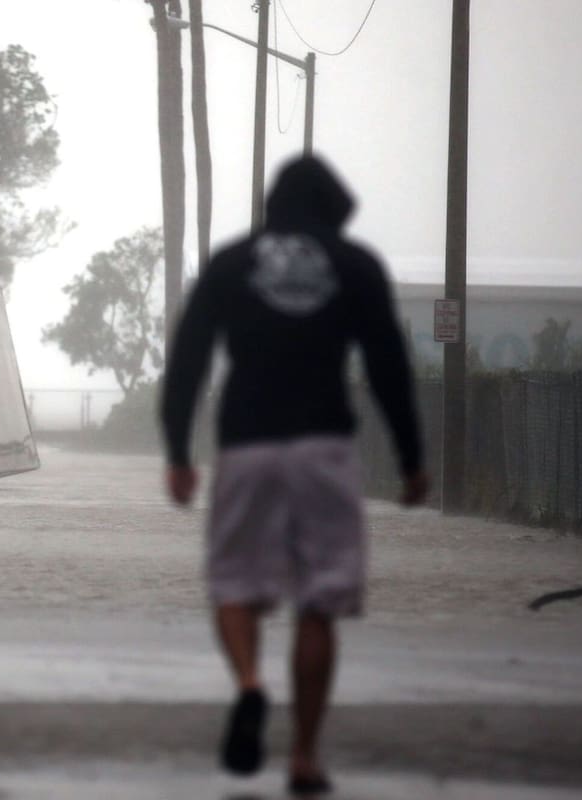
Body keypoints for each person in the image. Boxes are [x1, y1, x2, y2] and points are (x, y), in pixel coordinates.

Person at [159, 155, 429, 796]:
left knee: (233, 584)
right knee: (319, 601)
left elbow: (189, 357)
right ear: (333, 209)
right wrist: (412, 457)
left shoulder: (231, 263)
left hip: (246, 445)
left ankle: (251, 685)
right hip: (323, 446)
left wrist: (178, 452)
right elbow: (388, 364)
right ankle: (304, 756)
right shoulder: (354, 265)